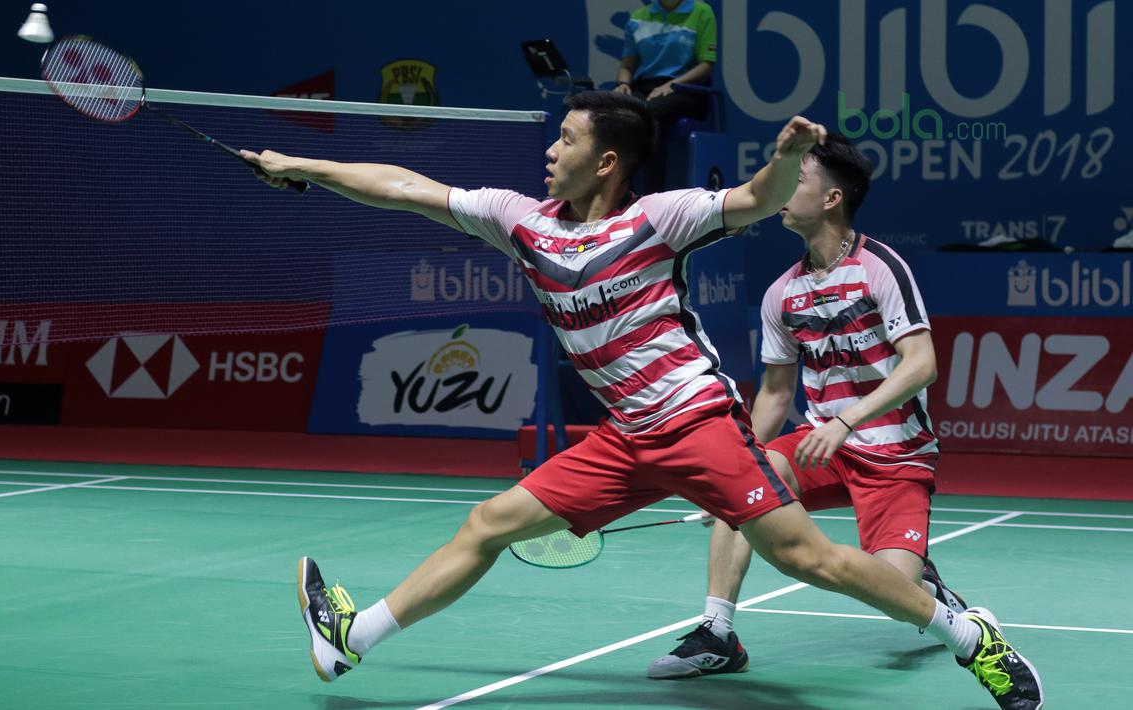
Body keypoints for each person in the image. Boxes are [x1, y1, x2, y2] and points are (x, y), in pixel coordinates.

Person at [240, 91, 1042, 709]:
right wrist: (305, 167)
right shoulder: (520, 221)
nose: (548, 150)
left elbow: (756, 201)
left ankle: (968, 636)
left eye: (565, 140)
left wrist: (786, 157)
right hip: (623, 438)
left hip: (696, 424)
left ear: (607, 161)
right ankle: (351, 639)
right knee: (488, 523)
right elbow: (407, 186)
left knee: (807, 558)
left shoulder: (658, 220)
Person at [647, 135, 976, 683]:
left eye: (797, 180)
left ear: (831, 198)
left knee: (891, 590)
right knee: (743, 477)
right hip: (823, 448)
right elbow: (775, 395)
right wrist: (730, 465)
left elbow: (921, 364)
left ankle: (926, 587)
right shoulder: (782, 293)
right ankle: (718, 632)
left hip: (896, 454)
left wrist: (848, 420)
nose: (783, 189)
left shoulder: (880, 269)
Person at [614, 0, 717, 192]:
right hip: (645, 86)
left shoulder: (702, 11)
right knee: (618, 112)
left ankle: (653, 195)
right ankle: (620, 193)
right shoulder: (638, 18)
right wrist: (623, 84)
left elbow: (706, 65)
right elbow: (627, 66)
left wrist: (671, 85)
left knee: (649, 111)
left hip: (688, 89)